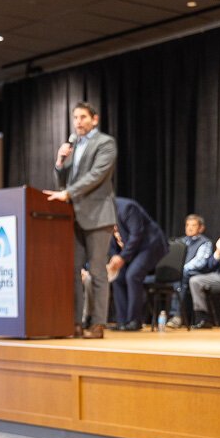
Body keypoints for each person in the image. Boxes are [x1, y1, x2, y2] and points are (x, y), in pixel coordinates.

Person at [44, 101, 117, 339]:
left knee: (97, 271)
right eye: (75, 118)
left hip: (98, 216)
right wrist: (59, 162)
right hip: (73, 217)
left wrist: (67, 193)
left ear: (94, 119)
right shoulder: (73, 145)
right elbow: (63, 182)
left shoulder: (105, 143)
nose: (78, 122)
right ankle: (74, 323)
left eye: (83, 117)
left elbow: (97, 176)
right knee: (72, 271)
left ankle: (97, 325)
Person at [106, 197, 168, 331]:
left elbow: (136, 235)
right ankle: (122, 321)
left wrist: (122, 258)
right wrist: (114, 257)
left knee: (132, 275)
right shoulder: (105, 214)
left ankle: (135, 320)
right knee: (118, 277)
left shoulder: (127, 208)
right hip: (131, 250)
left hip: (150, 246)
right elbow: (109, 239)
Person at [166, 214, 212, 328]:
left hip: (196, 273)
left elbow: (200, 262)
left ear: (201, 228)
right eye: (187, 225)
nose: (190, 228)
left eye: (193, 225)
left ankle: (176, 315)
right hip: (179, 273)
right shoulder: (179, 241)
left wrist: (181, 269)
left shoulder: (204, 242)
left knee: (181, 276)